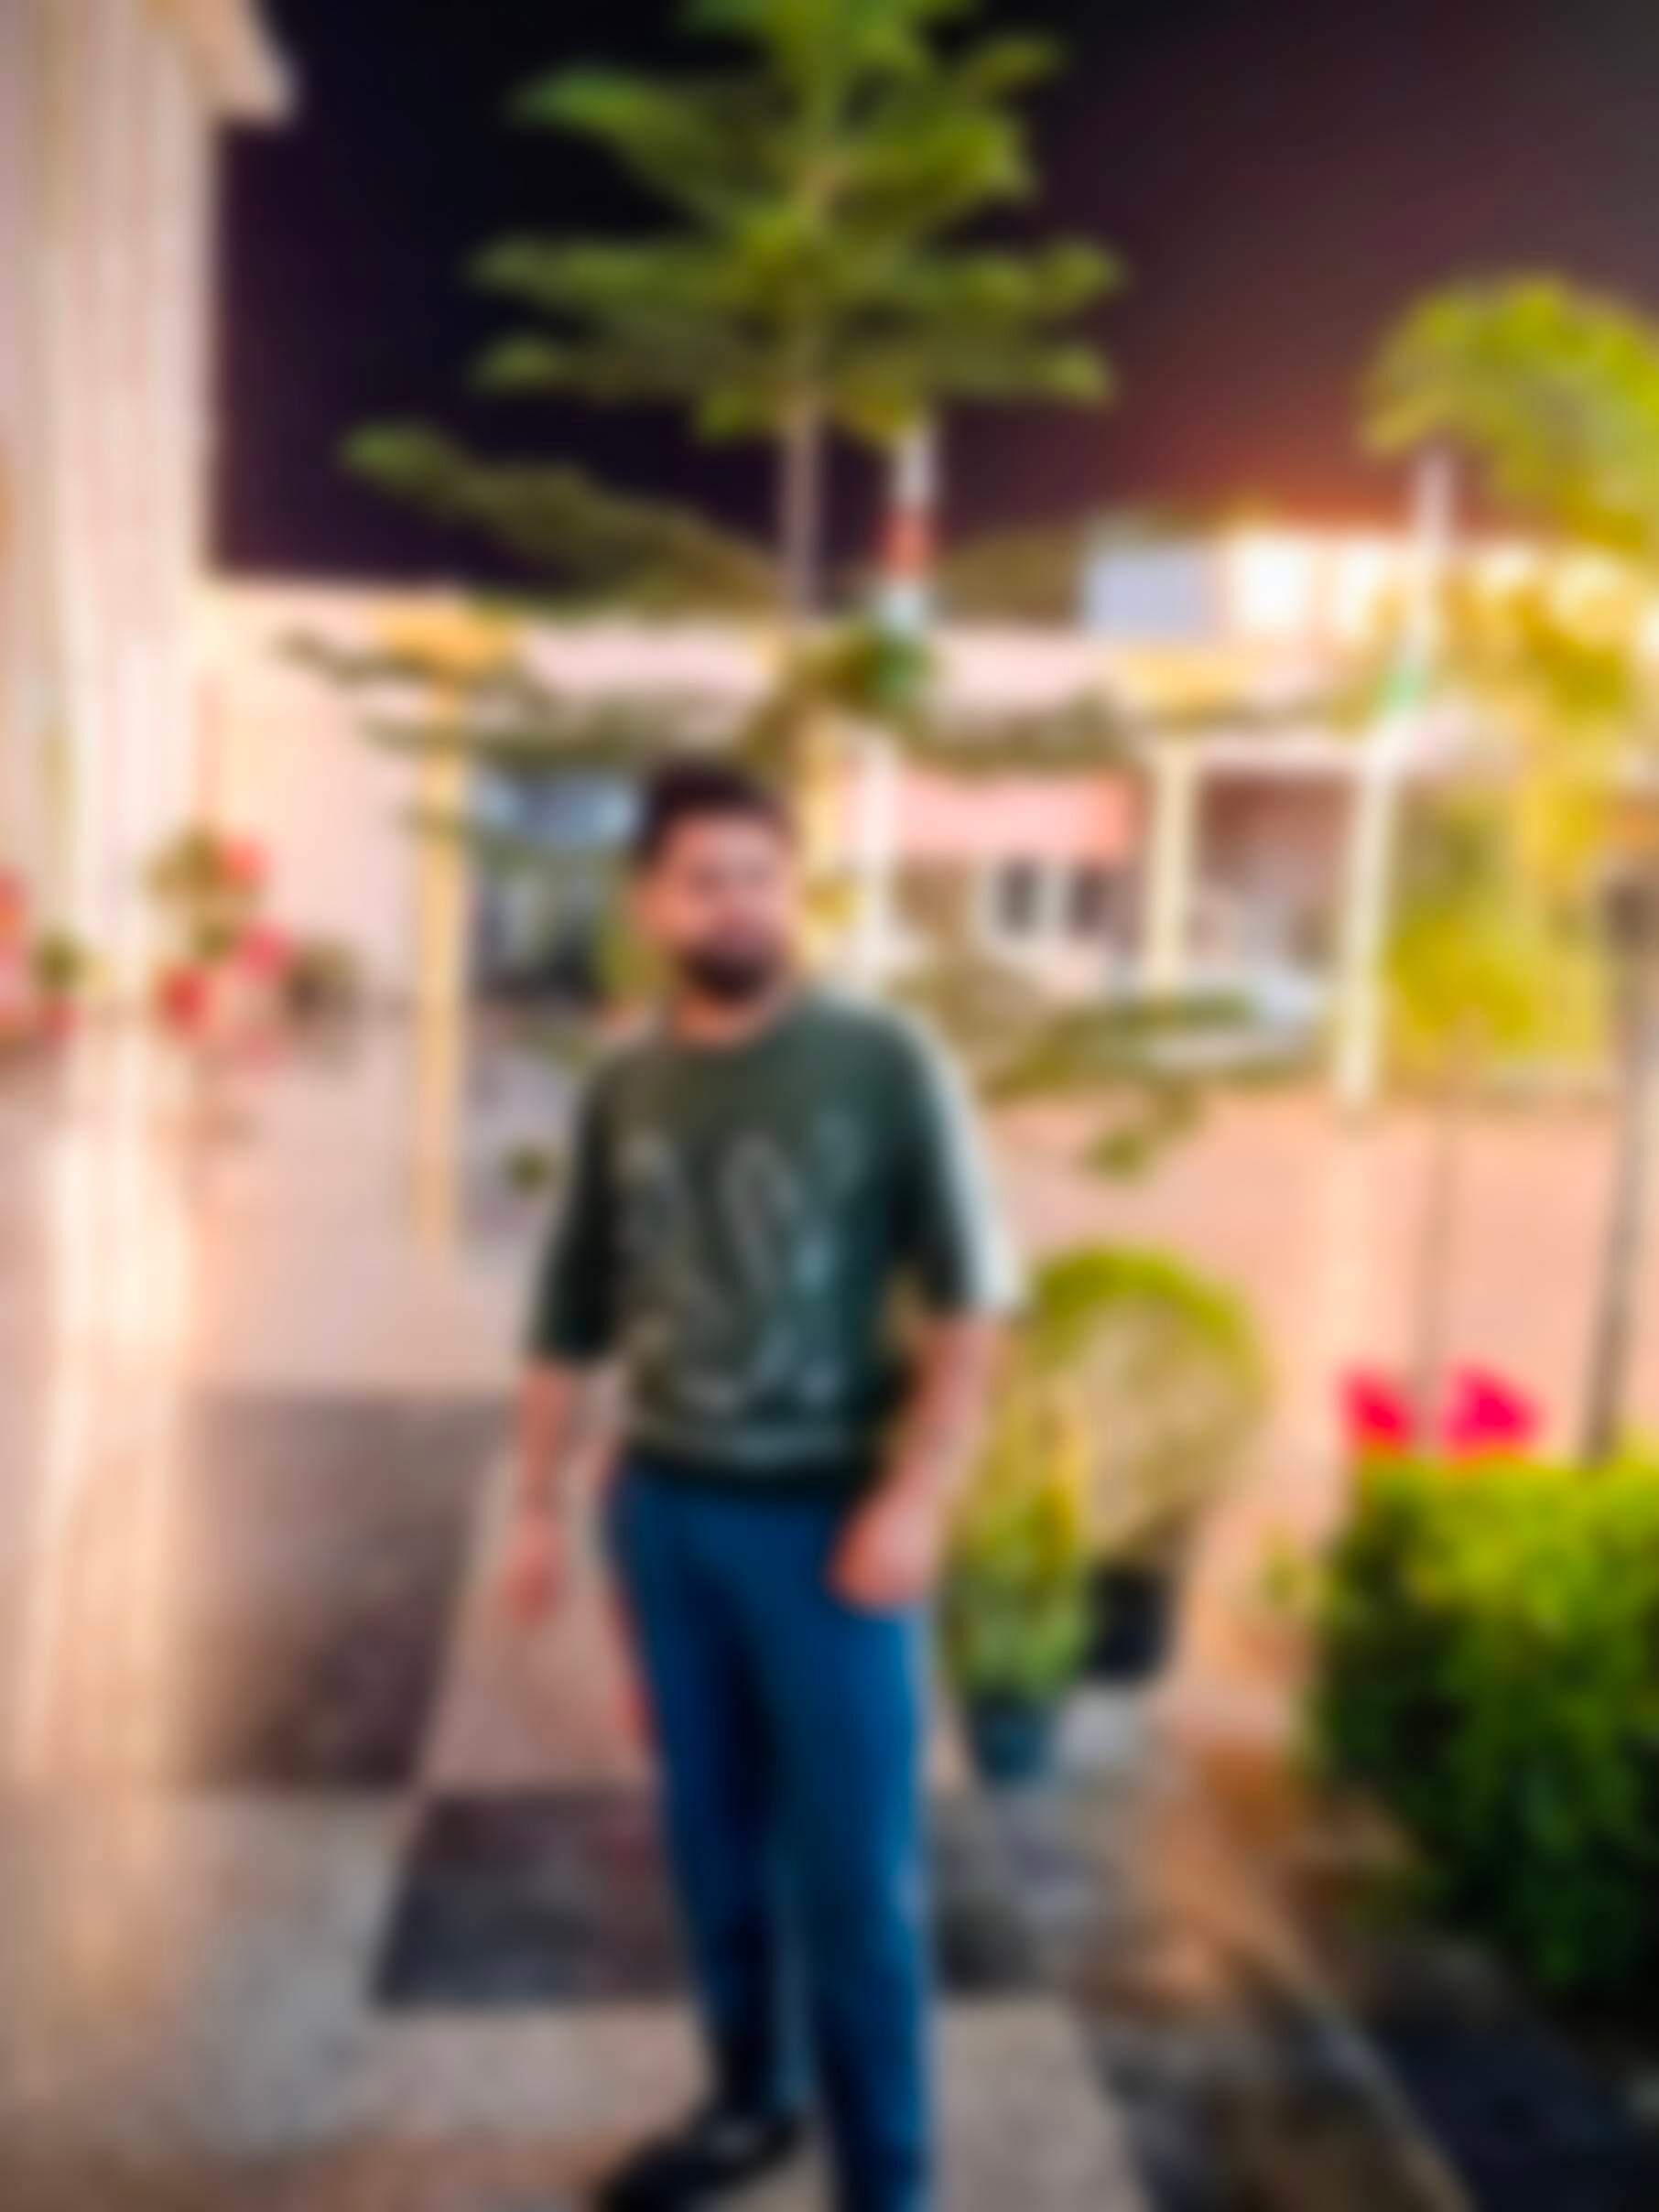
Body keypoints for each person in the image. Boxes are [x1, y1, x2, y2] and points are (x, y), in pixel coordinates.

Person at [501, 760, 1017, 2212]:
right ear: (650, 903)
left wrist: (921, 1493)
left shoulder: (882, 1061)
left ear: (794, 892)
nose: (738, 903)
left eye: (761, 875)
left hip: (828, 1533)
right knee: (713, 1850)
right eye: (705, 879)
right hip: (666, 1519)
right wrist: (538, 1504)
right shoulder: (627, 1087)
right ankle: (750, 2104)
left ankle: (888, 2185)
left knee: (854, 1887)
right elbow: (568, 1311)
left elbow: (974, 1299)